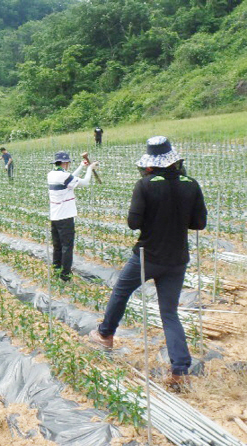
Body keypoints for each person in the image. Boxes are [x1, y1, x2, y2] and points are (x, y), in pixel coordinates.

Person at [89, 136, 207, 388]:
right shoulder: (191, 184)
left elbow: (133, 223)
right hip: (177, 259)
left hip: (147, 256)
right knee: (169, 313)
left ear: (151, 164)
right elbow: (199, 223)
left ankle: (105, 334)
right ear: (174, 161)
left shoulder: (145, 185)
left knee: (121, 291)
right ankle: (180, 370)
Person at [47, 151, 97, 281]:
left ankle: (56, 271)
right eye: (68, 163)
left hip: (55, 216)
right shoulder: (63, 177)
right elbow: (84, 182)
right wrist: (90, 169)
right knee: (67, 247)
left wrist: (81, 166)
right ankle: (65, 276)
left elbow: (70, 178)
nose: (69, 165)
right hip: (65, 217)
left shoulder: (52, 174)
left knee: (57, 246)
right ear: (65, 163)